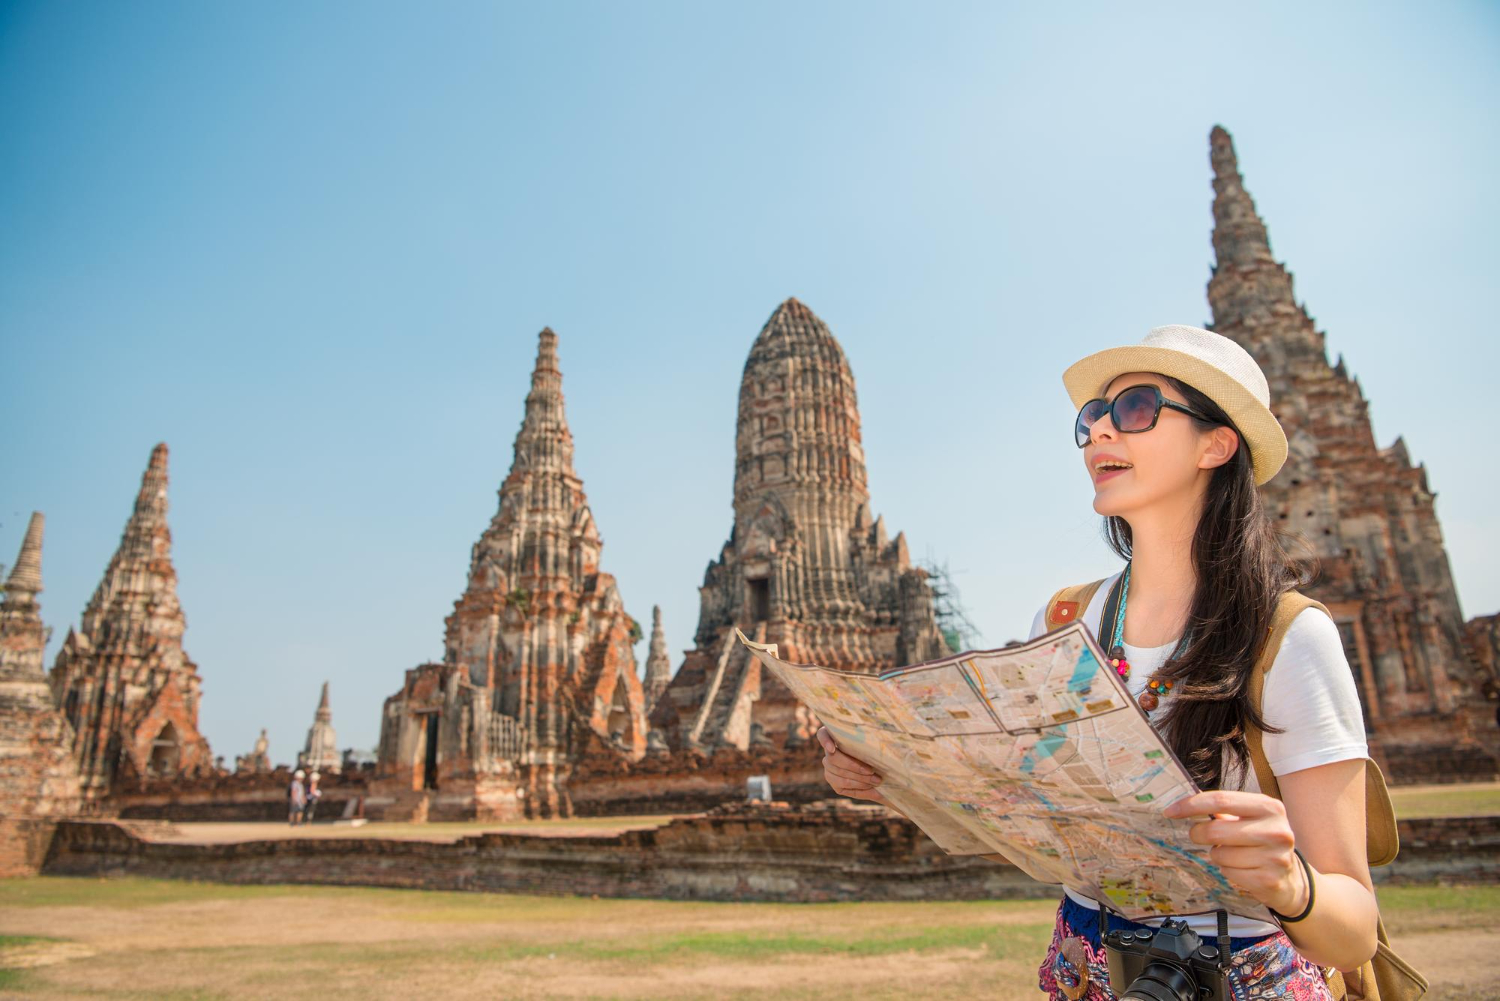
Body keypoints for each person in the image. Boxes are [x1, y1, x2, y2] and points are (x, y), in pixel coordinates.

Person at [818, 326, 1377, 998]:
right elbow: (1026, 825)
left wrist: (1293, 881)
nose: (1101, 432)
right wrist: (892, 771)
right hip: (1089, 970)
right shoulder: (1066, 620)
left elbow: (1355, 931)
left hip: (1237, 974)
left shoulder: (1287, 636)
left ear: (1215, 443)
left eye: (1137, 408)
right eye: (1092, 417)